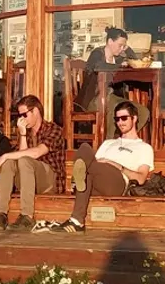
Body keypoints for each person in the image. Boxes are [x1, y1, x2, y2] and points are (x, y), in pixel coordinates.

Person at [39, 99, 153, 234]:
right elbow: (92, 163)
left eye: (124, 118)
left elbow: (141, 179)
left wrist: (116, 165)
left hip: (118, 182)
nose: (120, 122)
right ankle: (77, 221)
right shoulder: (108, 143)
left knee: (87, 169)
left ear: (134, 118)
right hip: (97, 180)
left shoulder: (144, 147)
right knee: (84, 149)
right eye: (117, 119)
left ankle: (77, 183)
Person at [0, 95, 66, 231]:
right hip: (28, 180)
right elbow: (21, 156)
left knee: (21, 159)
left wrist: (5, 155)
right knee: (9, 163)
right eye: (19, 116)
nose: (22, 119)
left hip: (49, 181)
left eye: (24, 115)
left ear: (35, 111)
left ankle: (27, 215)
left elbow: (37, 153)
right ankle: (1, 213)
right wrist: (23, 135)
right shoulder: (26, 132)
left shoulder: (54, 130)